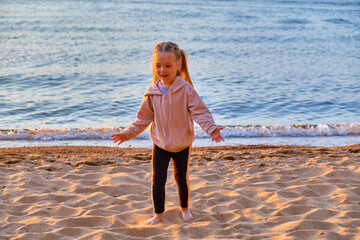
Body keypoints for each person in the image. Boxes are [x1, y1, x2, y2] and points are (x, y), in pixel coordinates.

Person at [111, 41, 224, 225]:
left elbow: (200, 112)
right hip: (161, 143)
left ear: (178, 65)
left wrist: (212, 130)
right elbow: (142, 119)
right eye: (158, 66)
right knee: (158, 179)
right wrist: (127, 134)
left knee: (181, 178)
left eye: (167, 66)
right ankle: (159, 214)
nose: (162, 70)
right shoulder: (152, 92)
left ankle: (185, 208)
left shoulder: (186, 89)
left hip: (182, 143)